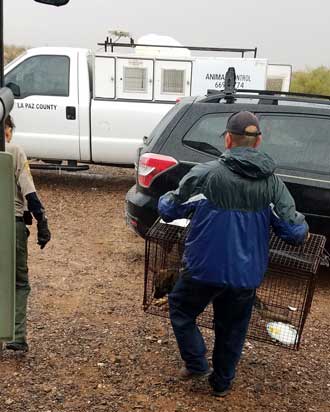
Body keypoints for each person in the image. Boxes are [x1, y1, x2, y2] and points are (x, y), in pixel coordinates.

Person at [158, 111, 308, 397]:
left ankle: (196, 362)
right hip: (245, 275)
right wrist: (301, 222)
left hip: (202, 269)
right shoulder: (273, 185)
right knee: (233, 328)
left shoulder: (205, 175)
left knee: (181, 308)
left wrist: (168, 197)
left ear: (228, 139)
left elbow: (169, 210)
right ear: (258, 141)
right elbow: (294, 233)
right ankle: (221, 383)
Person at [4, 115, 51, 352]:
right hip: (11, 225)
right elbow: (30, 193)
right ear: (7, 130)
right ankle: (16, 335)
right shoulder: (15, 151)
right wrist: (42, 222)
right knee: (19, 283)